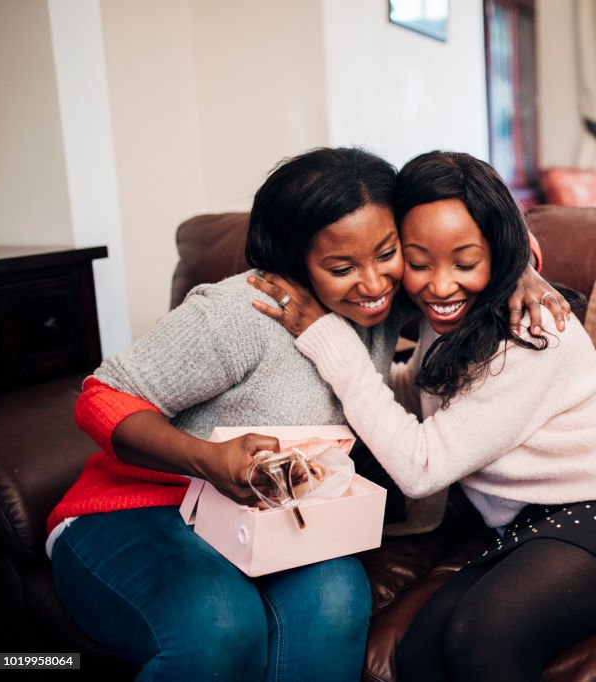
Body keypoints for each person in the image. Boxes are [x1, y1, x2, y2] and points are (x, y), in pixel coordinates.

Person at [47, 146, 566, 682]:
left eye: (386, 253)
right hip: (143, 509)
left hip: (280, 515)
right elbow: (102, 396)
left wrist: (522, 271)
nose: (372, 283)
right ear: (296, 260)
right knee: (219, 627)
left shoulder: (389, 301)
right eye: (341, 267)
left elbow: (474, 230)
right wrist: (207, 459)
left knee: (336, 607)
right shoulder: (240, 313)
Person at [249, 150, 596, 682]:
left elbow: (421, 467)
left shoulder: (534, 332)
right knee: (420, 652)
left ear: (498, 255)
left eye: (465, 264)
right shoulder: (443, 322)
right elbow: (425, 392)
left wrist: (327, 342)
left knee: (480, 639)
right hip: (543, 516)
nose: (440, 287)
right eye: (419, 264)